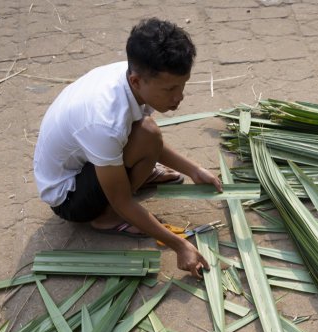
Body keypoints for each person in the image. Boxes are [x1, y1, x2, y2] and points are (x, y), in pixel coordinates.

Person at [33, 18, 221, 279]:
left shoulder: (136, 75)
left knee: (146, 132)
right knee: (147, 134)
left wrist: (194, 170)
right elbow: (122, 199)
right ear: (136, 81)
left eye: (182, 85)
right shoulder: (105, 120)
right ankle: (105, 218)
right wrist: (180, 246)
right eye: (170, 89)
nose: (179, 97)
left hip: (90, 158)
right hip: (69, 198)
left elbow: (143, 138)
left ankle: (136, 169)